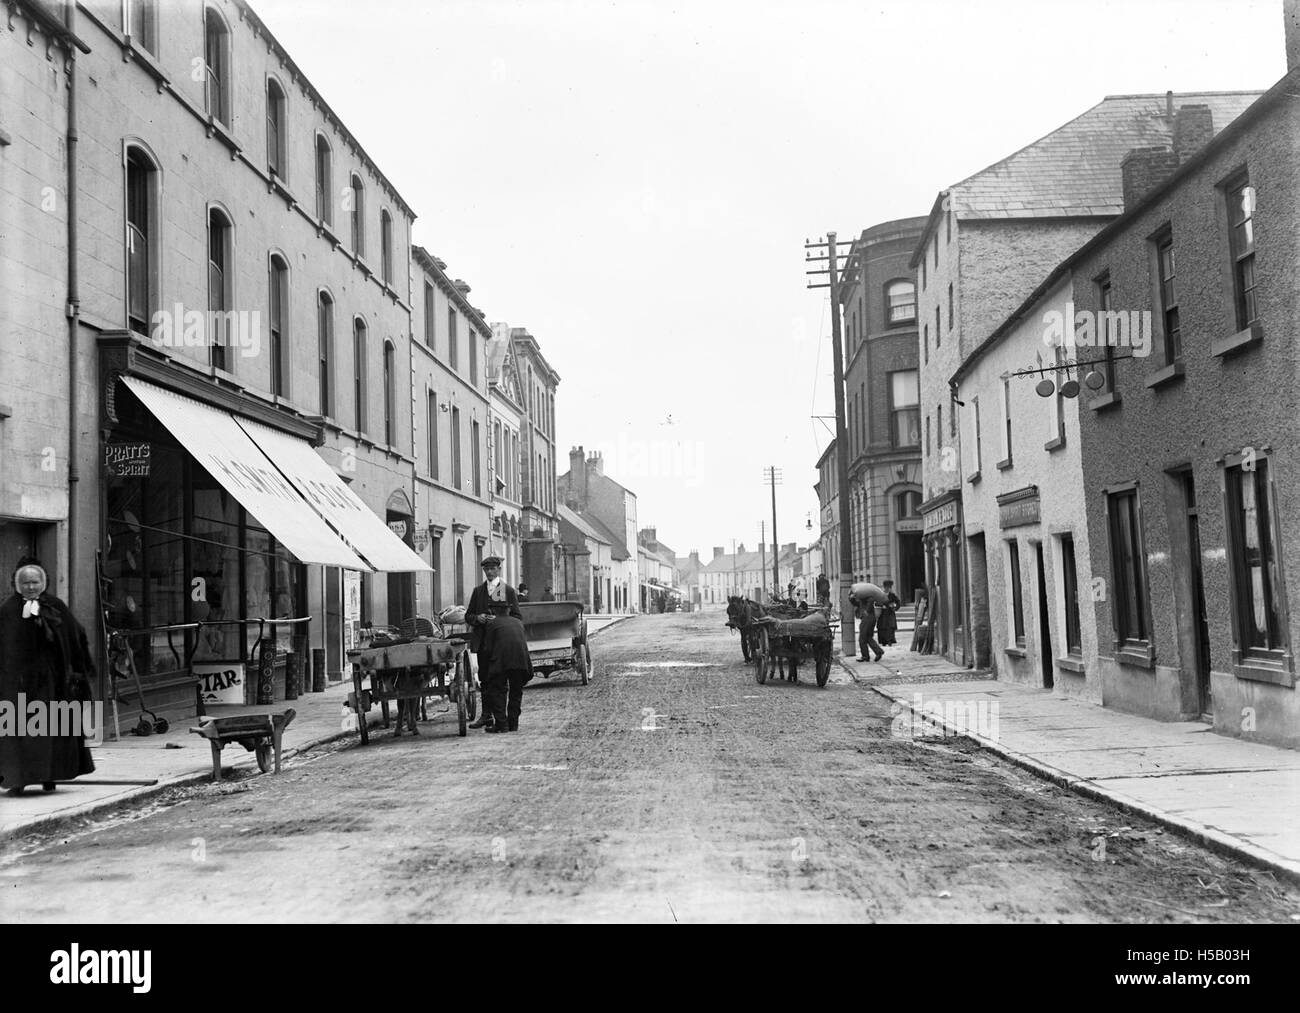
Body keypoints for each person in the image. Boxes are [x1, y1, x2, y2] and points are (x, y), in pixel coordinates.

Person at [0, 558, 96, 795]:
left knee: (53, 728)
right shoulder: (8, 609)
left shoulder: (55, 606)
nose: (30, 587)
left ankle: (50, 775)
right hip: (20, 683)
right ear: (17, 584)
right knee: (19, 729)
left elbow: (76, 636)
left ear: (42, 583)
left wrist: (80, 668)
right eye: (25, 583)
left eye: (34, 582)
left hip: (53, 680)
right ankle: (19, 779)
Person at [466, 557, 521, 731]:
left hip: (502, 644)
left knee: (500, 681)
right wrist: (478, 618)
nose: (489, 572)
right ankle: (486, 715)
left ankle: (501, 719)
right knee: (485, 679)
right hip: (484, 643)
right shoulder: (478, 591)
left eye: (493, 569)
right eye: (486, 569)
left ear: (499, 569)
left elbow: (518, 617)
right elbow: (468, 615)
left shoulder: (508, 591)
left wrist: (499, 620)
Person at [479, 611, 531, 733]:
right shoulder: (518, 622)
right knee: (516, 692)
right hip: (520, 661)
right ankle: (513, 724)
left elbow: (488, 648)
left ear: (493, 610)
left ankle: (501, 725)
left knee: (498, 690)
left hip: (501, 661)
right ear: (508, 609)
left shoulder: (492, 623)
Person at [853, 590, 884, 663]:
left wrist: (866, 611)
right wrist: (852, 598)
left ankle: (865, 656)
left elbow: (871, 601)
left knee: (862, 638)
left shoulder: (868, 597)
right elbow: (856, 603)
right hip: (869, 619)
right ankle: (878, 651)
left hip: (867, 619)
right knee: (868, 637)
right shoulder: (862, 598)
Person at [877, 579, 902, 647]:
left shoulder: (892, 595)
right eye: (886, 587)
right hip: (882, 614)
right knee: (882, 627)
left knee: (890, 627)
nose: (888, 588)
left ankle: (890, 641)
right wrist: (882, 606)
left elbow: (898, 602)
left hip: (890, 613)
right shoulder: (881, 594)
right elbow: (876, 603)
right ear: (884, 587)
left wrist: (895, 608)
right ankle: (883, 641)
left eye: (889, 587)